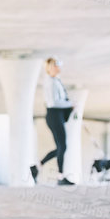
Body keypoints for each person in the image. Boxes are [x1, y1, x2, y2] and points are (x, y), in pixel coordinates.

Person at [31, 57, 74, 185]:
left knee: (61, 147)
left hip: (57, 115)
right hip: (54, 114)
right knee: (63, 146)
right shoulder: (50, 82)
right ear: (50, 68)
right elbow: (53, 102)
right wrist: (70, 104)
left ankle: (37, 166)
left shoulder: (56, 81)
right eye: (56, 65)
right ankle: (60, 177)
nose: (58, 67)